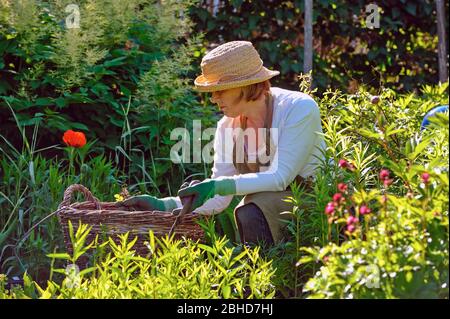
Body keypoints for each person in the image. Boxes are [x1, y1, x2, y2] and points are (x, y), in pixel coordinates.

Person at [121, 41, 326, 245]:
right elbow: (219, 199)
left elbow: (280, 177)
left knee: (252, 208)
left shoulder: (298, 108)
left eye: (221, 90)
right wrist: (163, 205)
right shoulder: (226, 127)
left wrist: (218, 186)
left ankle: (267, 272)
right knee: (252, 207)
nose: (213, 98)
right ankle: (256, 272)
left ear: (245, 86)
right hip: (271, 209)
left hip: (319, 205)